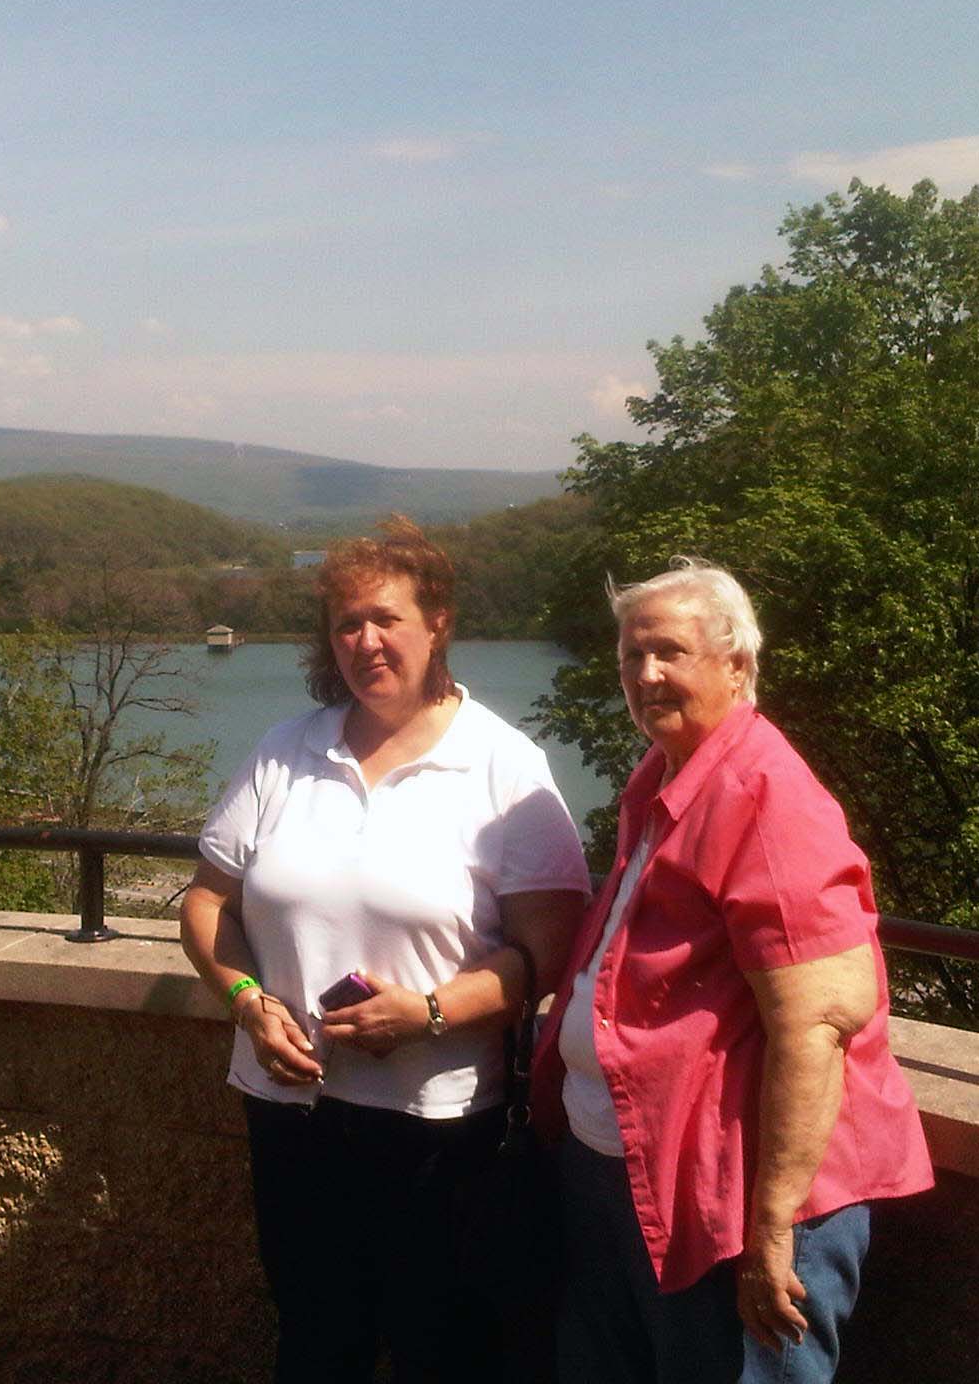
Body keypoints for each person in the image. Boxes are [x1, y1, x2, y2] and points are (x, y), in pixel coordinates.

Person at [179, 515, 589, 1384]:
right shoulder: (287, 749)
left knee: (444, 1351)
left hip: (440, 1125)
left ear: (437, 623)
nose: (365, 641)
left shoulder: (503, 767)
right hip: (291, 1110)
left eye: (386, 619)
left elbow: (548, 953)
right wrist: (246, 1001)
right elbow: (209, 901)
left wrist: (430, 1011)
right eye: (347, 624)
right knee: (314, 1340)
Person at [531, 558, 933, 1384]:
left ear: (738, 664)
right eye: (632, 655)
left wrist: (774, 1227)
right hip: (635, 1173)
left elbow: (820, 1023)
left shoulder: (765, 794)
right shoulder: (668, 775)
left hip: (740, 1197)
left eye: (671, 652)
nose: (646, 674)